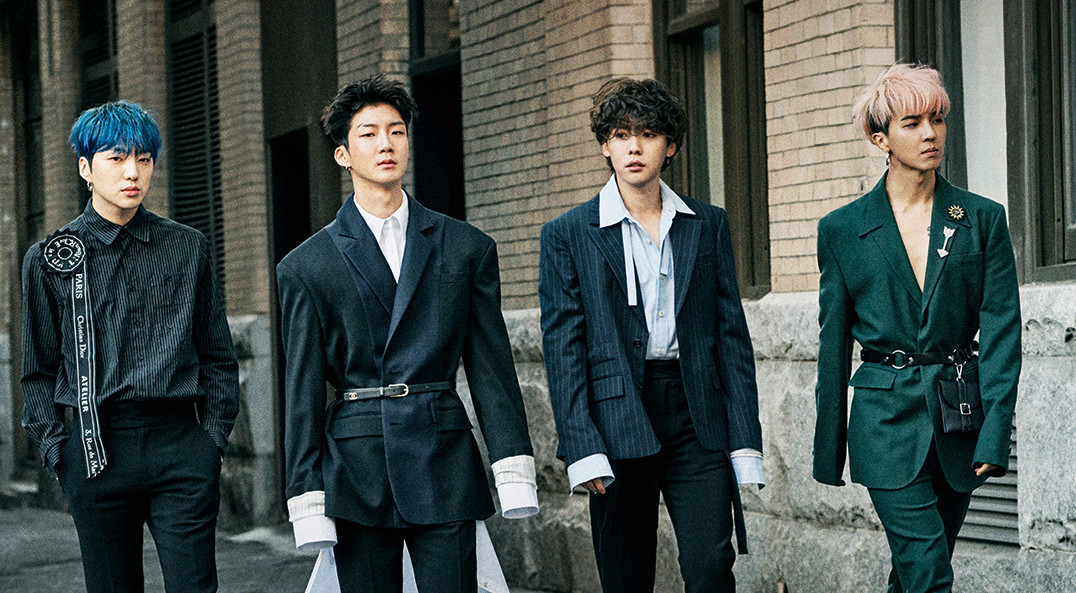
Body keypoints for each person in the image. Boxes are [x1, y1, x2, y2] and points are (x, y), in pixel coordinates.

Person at [276, 75, 538, 593]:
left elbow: (491, 367)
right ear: (343, 155)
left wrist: (512, 468)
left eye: (396, 131)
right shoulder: (307, 266)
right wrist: (306, 495)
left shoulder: (466, 248)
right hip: (357, 469)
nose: (386, 144)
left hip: (443, 457)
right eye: (369, 133)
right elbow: (302, 390)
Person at [539, 78, 764, 593]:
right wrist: (581, 443)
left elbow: (731, 337)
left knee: (711, 565)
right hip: (616, 413)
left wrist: (744, 438)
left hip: (696, 412)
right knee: (626, 572)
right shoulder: (568, 233)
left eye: (648, 134)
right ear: (605, 145)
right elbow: (563, 348)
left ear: (671, 146)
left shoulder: (706, 224)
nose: (634, 147)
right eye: (621, 135)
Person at [813, 63, 1020, 593]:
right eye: (912, 123)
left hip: (959, 419)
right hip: (884, 424)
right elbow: (832, 344)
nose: (930, 134)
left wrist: (995, 433)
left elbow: (1002, 331)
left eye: (937, 120)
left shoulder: (981, 218)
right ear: (879, 138)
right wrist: (828, 449)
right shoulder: (842, 230)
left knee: (914, 574)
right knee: (928, 572)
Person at [21, 101, 240, 593]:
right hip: (95, 447)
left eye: (143, 159)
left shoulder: (187, 246)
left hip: (180, 445)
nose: (132, 173)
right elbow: (37, 370)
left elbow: (218, 355)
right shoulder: (50, 258)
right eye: (117, 158)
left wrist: (211, 442)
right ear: (86, 168)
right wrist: (58, 453)